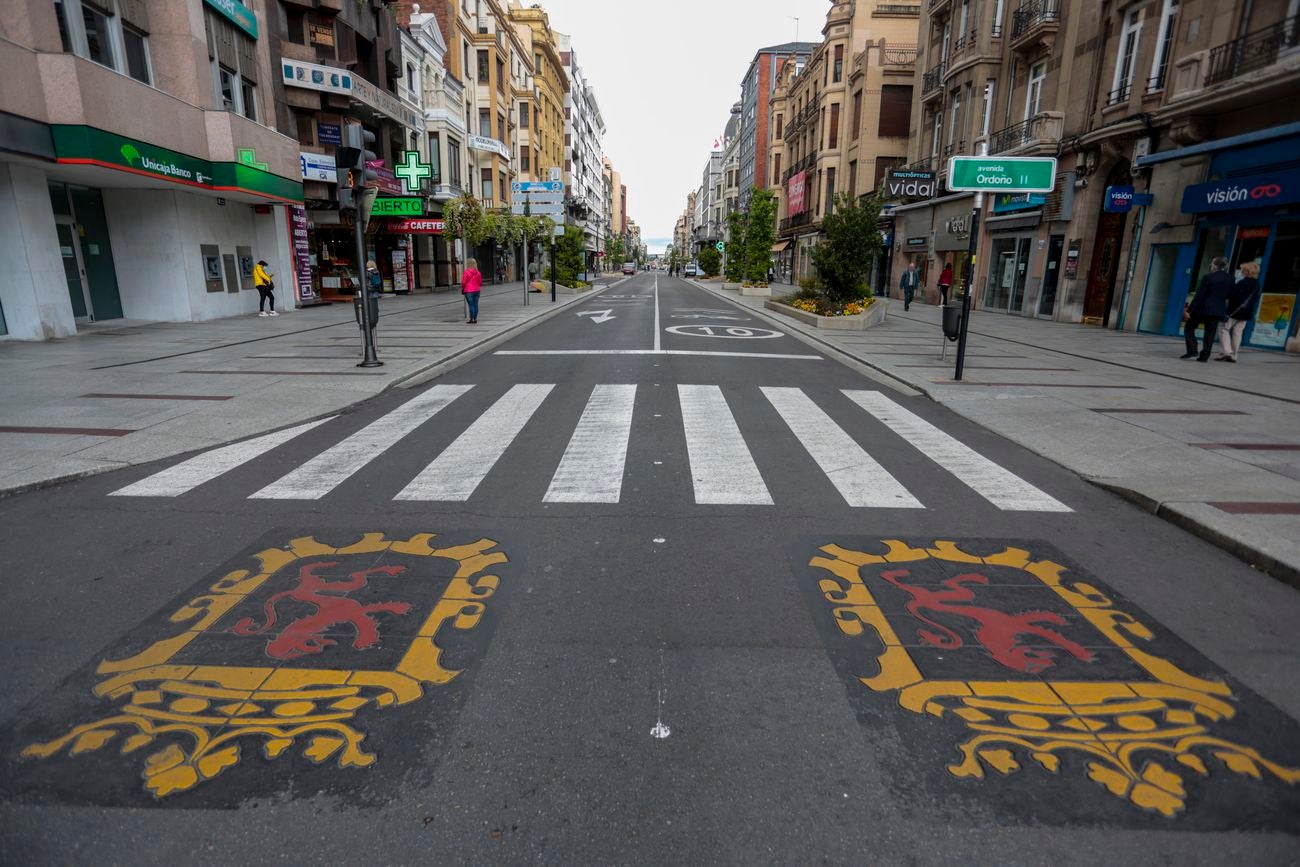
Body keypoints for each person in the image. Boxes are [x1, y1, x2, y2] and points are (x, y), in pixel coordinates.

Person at [1182, 256, 1234, 362]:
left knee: (1189, 328)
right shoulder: (1231, 278)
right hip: (1217, 310)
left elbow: (1200, 295)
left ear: (1215, 266)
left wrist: (1189, 310)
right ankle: (1205, 355)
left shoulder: (1208, 277)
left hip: (1202, 308)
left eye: (1212, 264)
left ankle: (1192, 349)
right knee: (1210, 332)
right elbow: (1230, 295)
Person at [1216, 262, 1261, 362]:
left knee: (1223, 328)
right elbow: (1255, 299)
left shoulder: (1243, 282)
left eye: (1243, 270)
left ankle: (1227, 352)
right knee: (1238, 333)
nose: (1241, 271)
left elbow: (1233, 296)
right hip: (1246, 313)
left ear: (1247, 271)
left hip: (1234, 311)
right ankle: (1234, 355)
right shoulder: (1257, 284)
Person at [461, 257, 483, 324]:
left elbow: (463, 282)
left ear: (468, 264)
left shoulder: (466, 272)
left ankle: (471, 319)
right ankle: (475, 319)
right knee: (476, 305)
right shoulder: (478, 273)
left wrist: (463, 288)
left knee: (471, 305)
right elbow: (480, 283)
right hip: (477, 290)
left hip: (468, 291)